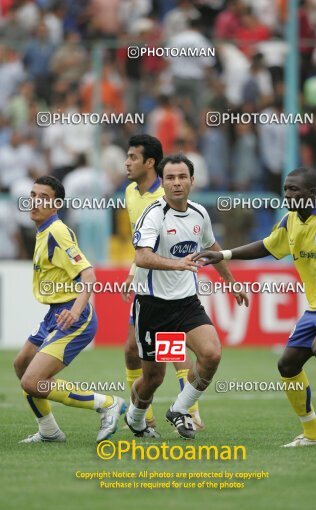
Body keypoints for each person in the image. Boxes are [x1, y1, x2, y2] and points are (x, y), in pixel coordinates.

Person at [194, 167, 316, 447]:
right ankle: (312, 435)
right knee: (288, 365)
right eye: (286, 189)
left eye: (295, 190)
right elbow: (267, 246)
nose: (288, 194)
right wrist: (224, 254)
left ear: (311, 193)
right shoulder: (289, 222)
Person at [124, 154, 248, 439]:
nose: (176, 183)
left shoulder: (199, 213)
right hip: (153, 306)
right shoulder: (154, 214)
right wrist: (176, 264)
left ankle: (180, 408)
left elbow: (211, 247)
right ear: (163, 182)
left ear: (192, 180)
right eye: (170, 178)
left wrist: (231, 281)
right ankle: (136, 416)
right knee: (153, 378)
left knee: (211, 353)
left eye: (182, 177)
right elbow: (142, 257)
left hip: (186, 303)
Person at [13, 176, 125, 444]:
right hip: (55, 313)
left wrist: (75, 311)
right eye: (33, 195)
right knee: (21, 365)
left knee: (32, 381)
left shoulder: (57, 231)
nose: (35, 201)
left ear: (57, 204)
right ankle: (49, 431)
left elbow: (89, 275)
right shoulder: (43, 230)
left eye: (43, 197)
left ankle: (107, 403)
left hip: (74, 316)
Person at [122, 135, 205, 431]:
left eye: (132, 157)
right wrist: (133, 272)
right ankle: (145, 415)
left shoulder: (165, 199)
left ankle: (186, 412)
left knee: (167, 350)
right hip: (147, 282)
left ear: (149, 163)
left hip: (168, 288)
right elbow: (141, 247)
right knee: (133, 351)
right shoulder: (131, 192)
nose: (126, 162)